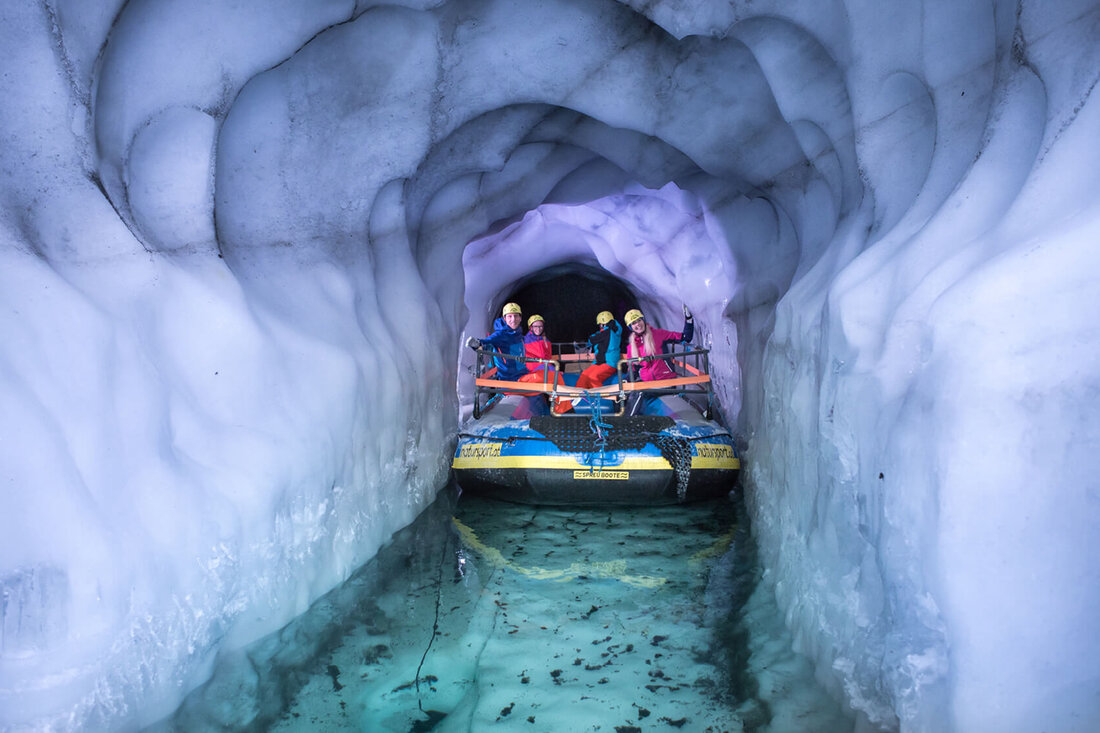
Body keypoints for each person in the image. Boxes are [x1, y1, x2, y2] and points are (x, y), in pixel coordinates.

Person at [553, 310, 622, 414]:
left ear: (603, 323)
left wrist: (593, 337)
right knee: (585, 374)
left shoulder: (608, 332)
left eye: (600, 325)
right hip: (601, 362)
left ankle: (608, 399)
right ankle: (576, 394)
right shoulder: (609, 331)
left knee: (593, 377)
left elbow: (592, 339)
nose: (600, 327)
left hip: (609, 363)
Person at [624, 304, 694, 382]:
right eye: (633, 323)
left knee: (641, 394)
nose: (637, 324)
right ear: (630, 327)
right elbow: (633, 370)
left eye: (639, 320)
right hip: (648, 383)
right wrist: (625, 381)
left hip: (665, 379)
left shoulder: (658, 334)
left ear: (643, 320)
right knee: (634, 394)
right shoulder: (631, 347)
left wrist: (688, 319)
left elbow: (685, 337)